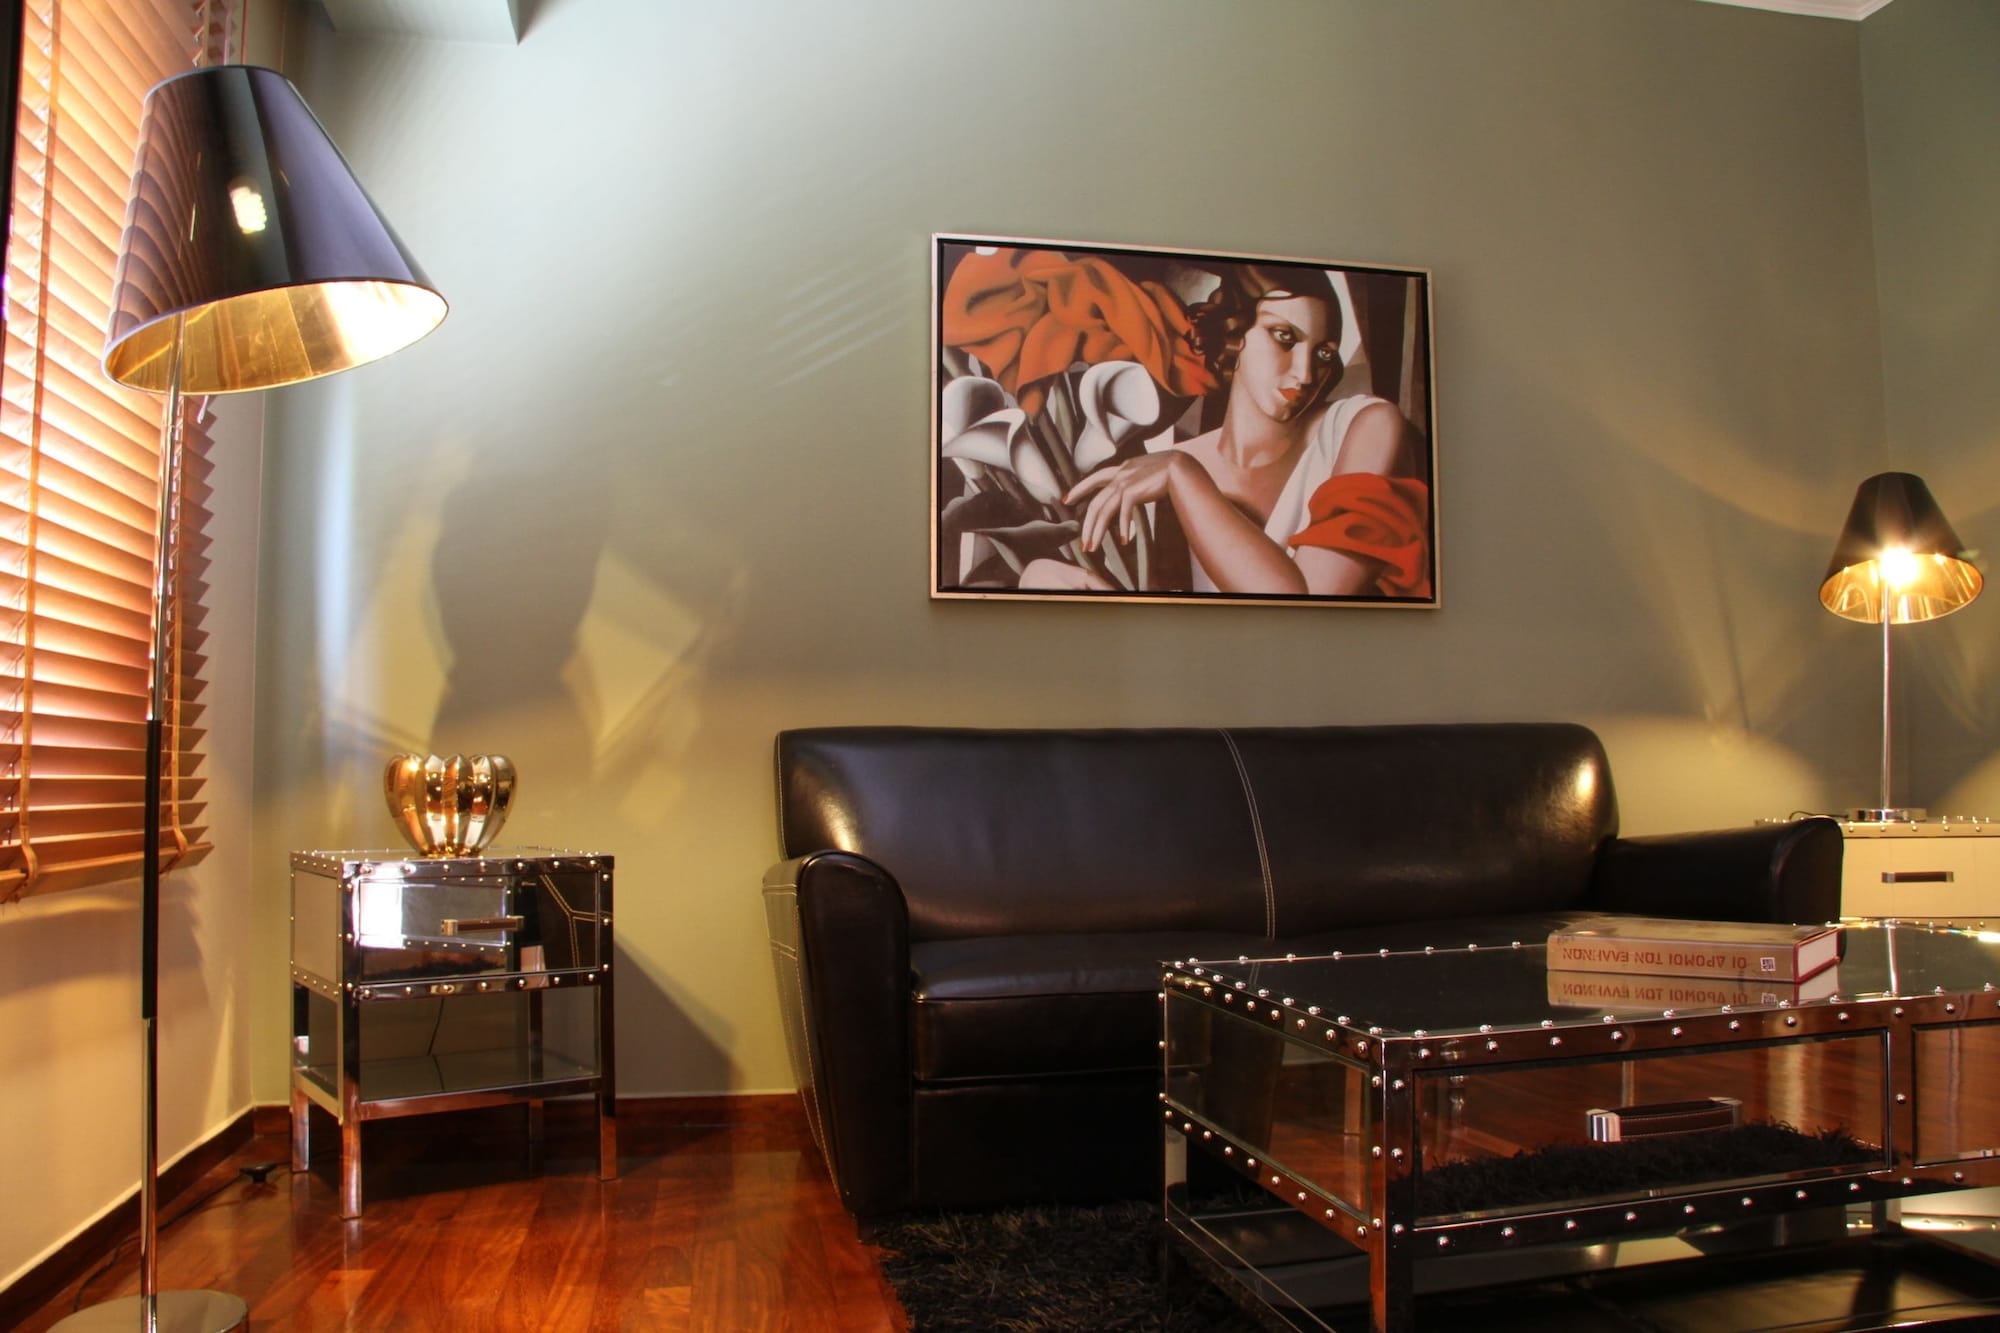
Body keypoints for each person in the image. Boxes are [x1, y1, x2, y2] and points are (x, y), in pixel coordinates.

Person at [1025, 263, 1429, 598]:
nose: (1306, 373)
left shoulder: (1364, 426)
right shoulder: (1154, 469)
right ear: (1236, 337)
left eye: (1323, 353)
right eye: (1284, 337)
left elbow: (1308, 600)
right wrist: (1037, 577)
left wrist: (1181, 474)